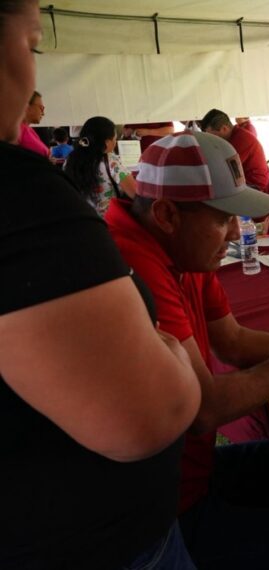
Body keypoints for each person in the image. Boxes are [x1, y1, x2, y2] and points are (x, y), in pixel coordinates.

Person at [106, 130, 269, 569]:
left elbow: (233, 341)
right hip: (163, 515)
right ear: (168, 214)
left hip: (187, 474)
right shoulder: (134, 268)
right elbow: (204, 408)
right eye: (223, 218)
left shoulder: (179, 247)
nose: (234, 234)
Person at [0, 1, 202, 568]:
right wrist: (161, 342)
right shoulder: (21, 197)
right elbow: (154, 413)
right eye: (33, 45)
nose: (35, 78)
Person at [64, 115, 136, 217]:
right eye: (115, 139)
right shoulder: (111, 161)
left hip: (83, 220)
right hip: (108, 223)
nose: (115, 143)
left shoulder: (70, 160)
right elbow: (135, 193)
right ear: (106, 142)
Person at [201, 108, 269, 190]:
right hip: (242, 182)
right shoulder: (233, 134)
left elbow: (225, 169)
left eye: (212, 136)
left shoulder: (242, 139)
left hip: (255, 185)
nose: (210, 140)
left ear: (224, 129)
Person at [18, 89, 48, 157]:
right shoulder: (19, 131)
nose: (43, 113)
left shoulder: (26, 130)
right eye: (41, 108)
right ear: (27, 107)